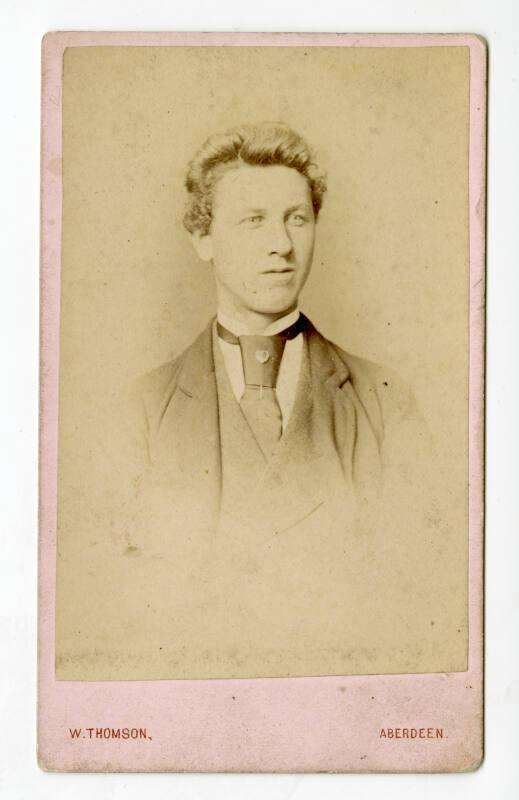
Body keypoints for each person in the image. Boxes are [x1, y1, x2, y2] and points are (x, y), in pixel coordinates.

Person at [132, 121, 421, 535]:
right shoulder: (141, 409)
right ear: (203, 237)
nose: (282, 244)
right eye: (254, 220)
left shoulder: (384, 401)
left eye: (297, 219)